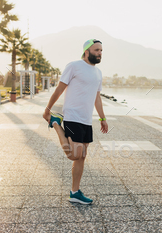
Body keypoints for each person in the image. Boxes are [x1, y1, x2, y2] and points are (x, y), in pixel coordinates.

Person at [43, 39, 108, 205]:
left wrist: (102, 118)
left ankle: (75, 192)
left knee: (82, 157)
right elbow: (59, 88)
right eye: (96, 50)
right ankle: (56, 124)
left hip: (86, 119)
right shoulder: (74, 66)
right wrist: (48, 110)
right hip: (72, 116)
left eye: (101, 50)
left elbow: (97, 97)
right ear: (87, 51)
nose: (100, 53)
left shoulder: (98, 73)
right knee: (74, 155)